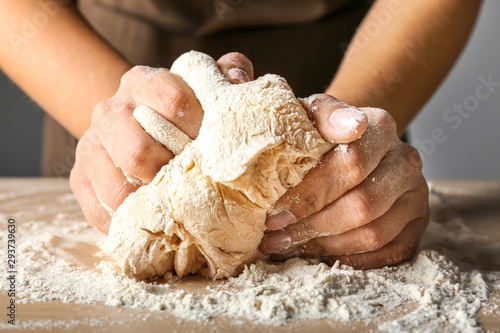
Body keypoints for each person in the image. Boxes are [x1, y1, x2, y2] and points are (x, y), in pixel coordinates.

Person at [0, 0, 483, 269]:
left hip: (356, 57)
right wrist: (126, 120)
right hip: (108, 63)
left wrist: (341, 139)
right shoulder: (123, 120)